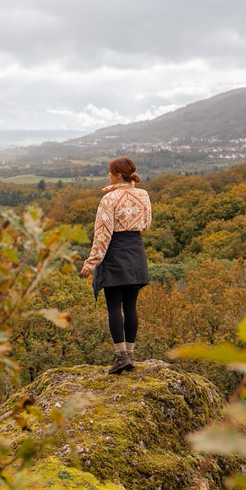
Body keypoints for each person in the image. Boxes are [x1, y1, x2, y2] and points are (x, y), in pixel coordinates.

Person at [80, 156, 152, 374]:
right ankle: (130, 354)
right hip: (136, 251)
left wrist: (91, 262)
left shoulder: (108, 200)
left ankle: (120, 356)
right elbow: (147, 224)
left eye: (110, 172)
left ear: (118, 174)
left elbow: (102, 234)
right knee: (130, 306)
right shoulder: (144, 195)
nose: (108, 176)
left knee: (114, 305)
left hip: (115, 252)